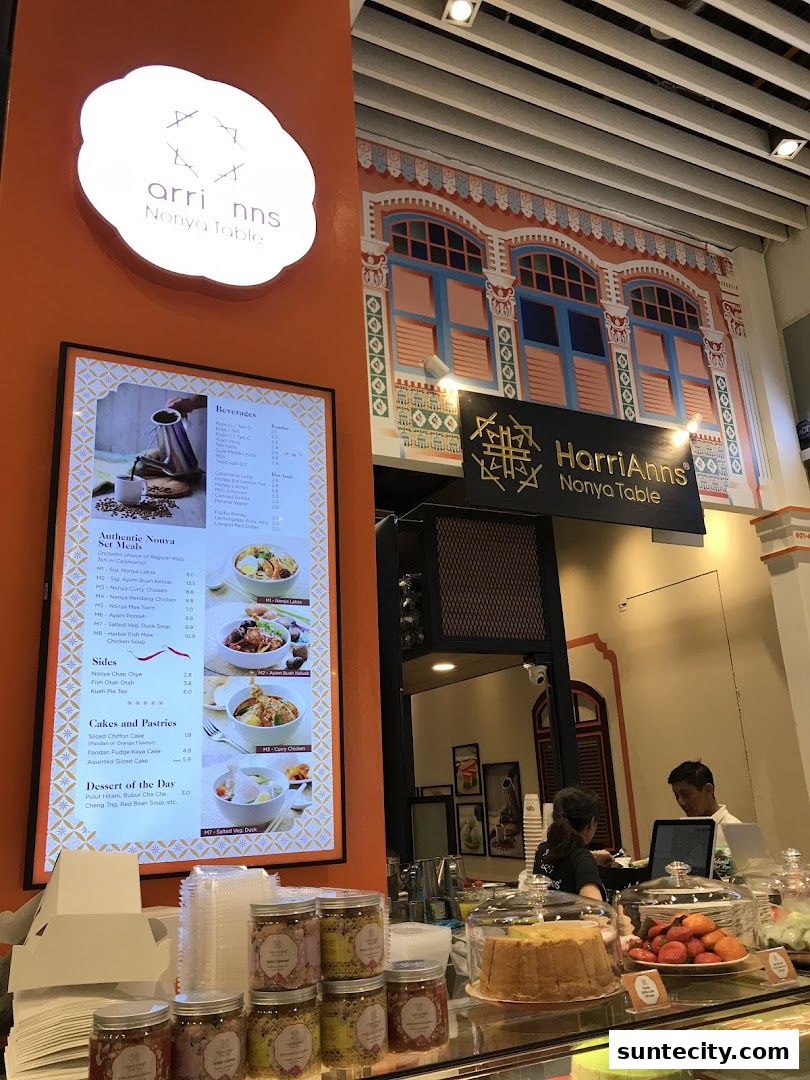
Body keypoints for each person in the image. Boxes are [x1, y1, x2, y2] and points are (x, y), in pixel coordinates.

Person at [533, 786, 613, 901]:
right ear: (592, 822)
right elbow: (594, 910)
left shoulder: (541, 851)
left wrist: (591, 858)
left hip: (549, 918)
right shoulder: (582, 858)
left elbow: (564, 863)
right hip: (574, 919)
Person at [667, 760, 741, 850]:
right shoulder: (684, 832)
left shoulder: (734, 831)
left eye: (686, 794)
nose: (680, 802)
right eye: (676, 796)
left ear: (708, 790)